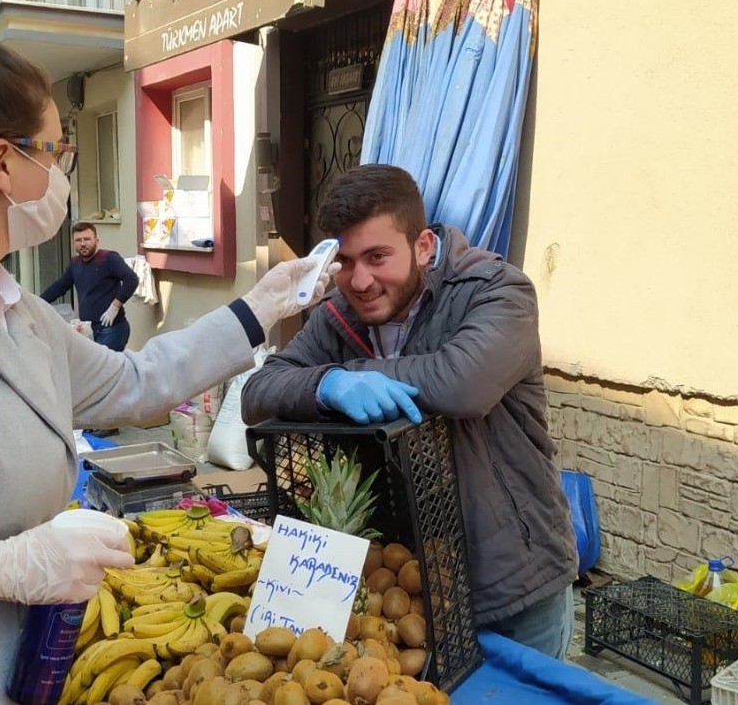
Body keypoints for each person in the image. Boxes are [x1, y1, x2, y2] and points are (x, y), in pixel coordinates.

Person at [0, 39, 332, 704]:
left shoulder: (13, 307)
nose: (64, 173)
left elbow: (134, 383)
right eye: (56, 150)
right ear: (2, 161)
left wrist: (259, 307)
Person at [240, 164, 577, 660]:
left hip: (510, 585)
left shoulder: (496, 291)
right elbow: (259, 392)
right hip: (406, 591)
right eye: (347, 260)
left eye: (378, 257)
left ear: (422, 245)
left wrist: (352, 369)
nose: (360, 280)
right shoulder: (338, 315)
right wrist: (329, 382)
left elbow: (463, 383)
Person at [41, 223, 139, 353]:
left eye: (87, 239)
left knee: (105, 371)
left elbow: (131, 279)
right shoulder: (75, 264)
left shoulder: (109, 258)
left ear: (96, 241)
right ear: (74, 243)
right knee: (91, 371)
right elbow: (59, 287)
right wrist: (36, 301)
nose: (82, 244)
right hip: (87, 330)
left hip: (112, 329)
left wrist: (115, 307)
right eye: (78, 240)